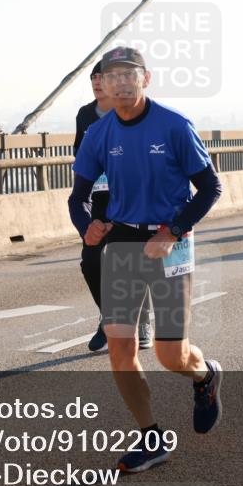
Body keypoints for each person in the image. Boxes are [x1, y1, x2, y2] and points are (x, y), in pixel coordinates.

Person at [68, 46, 224, 473]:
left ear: (145, 78)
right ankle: (151, 437)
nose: (119, 83)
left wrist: (171, 230)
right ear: (103, 83)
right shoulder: (99, 134)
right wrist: (87, 226)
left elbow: (210, 188)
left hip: (170, 242)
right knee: (120, 348)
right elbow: (77, 197)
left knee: (170, 354)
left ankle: (205, 375)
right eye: (110, 76)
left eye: (127, 75)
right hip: (121, 243)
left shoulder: (173, 126)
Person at [73, 62, 153, 352]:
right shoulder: (85, 115)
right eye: (93, 77)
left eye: (101, 77)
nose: (96, 82)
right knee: (91, 260)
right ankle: (108, 316)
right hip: (97, 198)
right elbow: (79, 155)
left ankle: (141, 319)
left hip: (130, 199)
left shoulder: (133, 112)